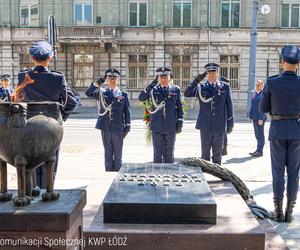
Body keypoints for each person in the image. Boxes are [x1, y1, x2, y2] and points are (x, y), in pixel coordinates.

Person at [17, 40, 77, 187]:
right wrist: (60, 117)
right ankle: (47, 195)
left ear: (32, 58)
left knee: (31, 164)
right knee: (50, 164)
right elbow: (71, 102)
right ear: (50, 58)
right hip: (51, 127)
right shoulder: (57, 78)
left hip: (28, 126)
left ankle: (34, 193)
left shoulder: (22, 76)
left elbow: (17, 100)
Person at [260, 45, 300, 223]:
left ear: (282, 62)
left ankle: (278, 212)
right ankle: (289, 212)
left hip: (277, 130)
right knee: (294, 173)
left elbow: (263, 108)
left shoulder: (272, 82)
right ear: (298, 64)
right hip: (296, 130)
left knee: (278, 172)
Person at [184, 63, 234, 165]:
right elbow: (187, 93)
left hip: (219, 125)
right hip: (205, 125)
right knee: (205, 155)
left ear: (217, 73)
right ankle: (205, 177)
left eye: (213, 72)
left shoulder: (225, 87)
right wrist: (196, 80)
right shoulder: (201, 87)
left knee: (217, 154)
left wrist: (230, 124)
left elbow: (229, 106)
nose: (211, 75)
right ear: (207, 74)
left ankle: (217, 174)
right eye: (209, 73)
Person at [85, 68, 131, 172]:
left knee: (118, 154)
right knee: (108, 153)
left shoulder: (123, 95)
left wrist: (128, 126)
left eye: (114, 78)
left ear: (118, 80)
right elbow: (88, 93)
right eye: (110, 78)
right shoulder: (102, 92)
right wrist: (99, 82)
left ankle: (117, 175)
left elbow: (127, 111)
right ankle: (108, 175)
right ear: (107, 80)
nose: (112, 80)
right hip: (105, 127)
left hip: (118, 128)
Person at [138, 67, 184, 163]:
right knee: (157, 153)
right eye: (161, 77)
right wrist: (151, 85)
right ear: (158, 78)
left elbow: (180, 108)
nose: (163, 79)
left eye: (165, 77)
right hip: (157, 125)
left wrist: (180, 124)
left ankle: (169, 173)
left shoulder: (175, 89)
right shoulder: (153, 90)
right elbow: (141, 97)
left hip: (170, 125)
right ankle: (156, 173)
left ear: (169, 77)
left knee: (169, 152)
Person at [249, 80, 267, 157]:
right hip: (254, 117)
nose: (257, 86)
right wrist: (250, 116)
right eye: (256, 85)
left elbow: (263, 108)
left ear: (262, 85)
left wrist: (261, 118)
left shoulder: (263, 95)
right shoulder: (256, 94)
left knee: (260, 135)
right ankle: (258, 149)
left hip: (259, 118)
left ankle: (260, 151)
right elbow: (252, 106)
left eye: (259, 85)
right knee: (257, 134)